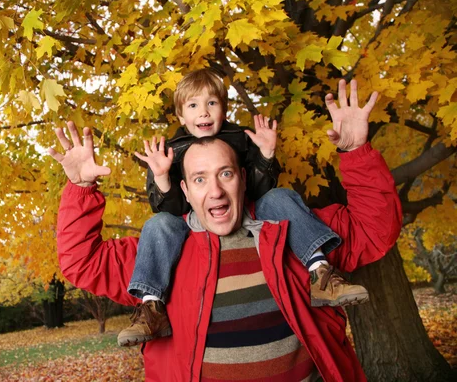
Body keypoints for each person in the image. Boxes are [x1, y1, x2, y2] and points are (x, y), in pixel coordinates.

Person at [50, 79, 402, 381]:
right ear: (185, 190)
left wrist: (356, 150)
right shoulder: (160, 251)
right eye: (200, 179)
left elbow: (374, 230)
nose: (215, 190)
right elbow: (82, 262)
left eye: (226, 173)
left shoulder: (292, 228)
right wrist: (81, 188)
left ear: (244, 178)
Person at [119, 69, 366, 347]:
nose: (204, 112)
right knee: (158, 224)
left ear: (224, 109)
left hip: (247, 210)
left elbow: (261, 189)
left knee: (280, 197)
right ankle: (151, 307)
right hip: (192, 220)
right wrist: (163, 178)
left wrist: (266, 157)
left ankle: (321, 273)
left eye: (211, 103)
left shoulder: (240, 138)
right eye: (193, 105)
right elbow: (169, 208)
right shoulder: (171, 150)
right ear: (180, 117)